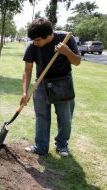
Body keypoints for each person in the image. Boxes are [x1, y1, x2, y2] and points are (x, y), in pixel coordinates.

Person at [21, 18, 81, 157]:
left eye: (37, 40)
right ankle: (41, 147)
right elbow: (27, 70)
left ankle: (62, 145)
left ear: (48, 36)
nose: (34, 43)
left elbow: (77, 61)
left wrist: (67, 52)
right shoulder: (32, 46)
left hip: (63, 83)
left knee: (65, 118)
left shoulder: (66, 39)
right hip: (41, 84)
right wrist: (25, 92)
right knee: (41, 117)